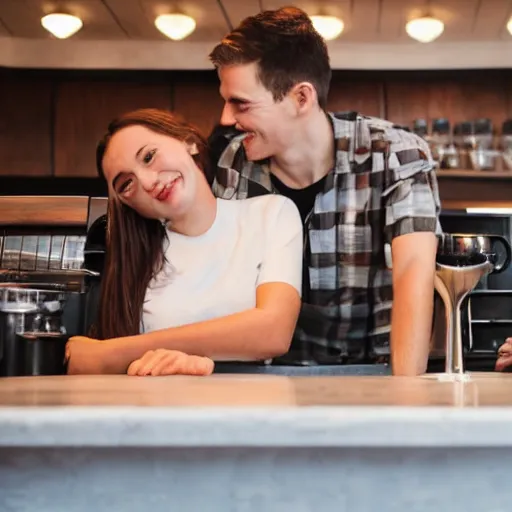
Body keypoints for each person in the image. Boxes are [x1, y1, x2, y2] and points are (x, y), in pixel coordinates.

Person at [208, 6, 442, 376]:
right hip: (268, 380)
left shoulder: (395, 152)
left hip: (376, 375)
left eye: (240, 103)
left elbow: (414, 271)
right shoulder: (234, 163)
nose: (225, 118)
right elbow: (226, 285)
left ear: (301, 98)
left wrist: (406, 398)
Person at [65, 108, 303, 376]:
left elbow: (273, 331)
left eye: (148, 156)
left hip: (252, 410)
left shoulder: (272, 214)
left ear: (187, 141)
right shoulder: (134, 263)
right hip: (161, 411)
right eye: (126, 184)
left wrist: (111, 353)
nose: (147, 181)